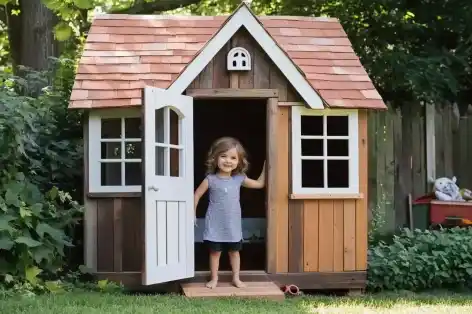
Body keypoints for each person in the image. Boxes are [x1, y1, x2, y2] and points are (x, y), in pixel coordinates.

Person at [193, 137, 265, 289]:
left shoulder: (239, 179)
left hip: (232, 225)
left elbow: (259, 184)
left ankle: (236, 278)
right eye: (223, 156)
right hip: (215, 224)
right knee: (215, 253)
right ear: (215, 158)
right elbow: (196, 195)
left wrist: (268, 166)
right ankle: (214, 278)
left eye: (233, 158)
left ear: (239, 161)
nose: (228, 161)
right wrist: (192, 213)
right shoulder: (210, 179)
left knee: (234, 252)